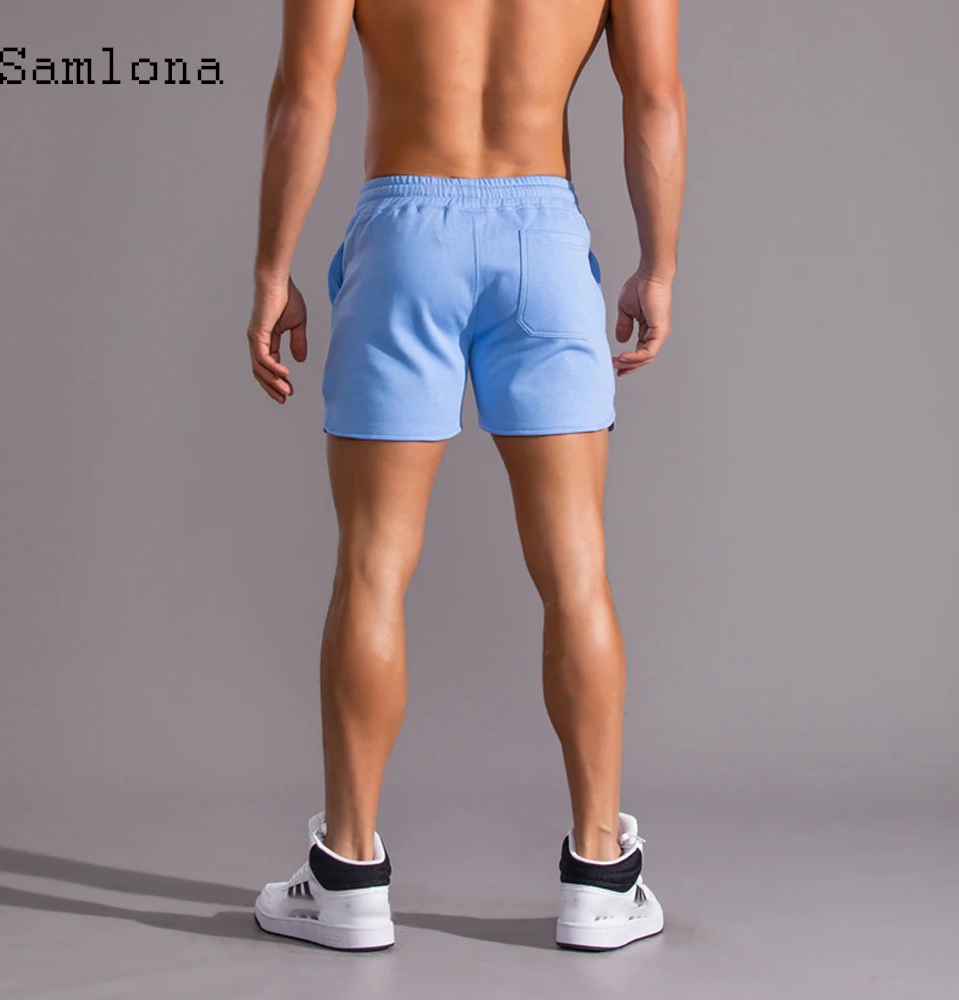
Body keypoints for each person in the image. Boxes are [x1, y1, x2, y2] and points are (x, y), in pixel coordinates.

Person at [246, 0, 685, 952]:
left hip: (405, 237)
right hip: (543, 238)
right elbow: (654, 97)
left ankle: (347, 876)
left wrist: (272, 268)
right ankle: (601, 877)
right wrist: (658, 266)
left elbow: (303, 94)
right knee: (576, 570)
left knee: (371, 566)